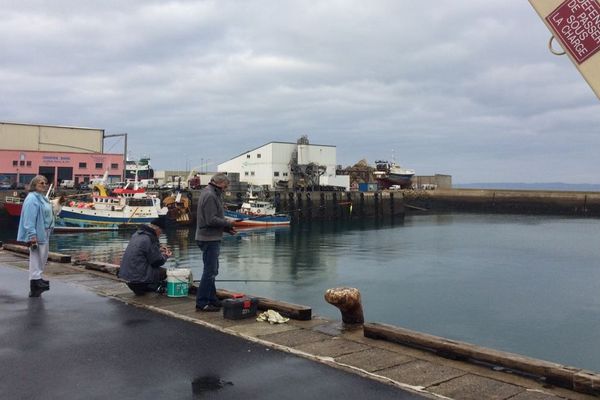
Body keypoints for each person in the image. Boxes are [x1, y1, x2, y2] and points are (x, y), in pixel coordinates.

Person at [195, 173, 236, 312]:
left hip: (210, 237)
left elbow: (209, 220)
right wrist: (228, 223)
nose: (227, 187)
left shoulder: (211, 192)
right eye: (226, 185)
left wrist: (225, 229)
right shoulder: (210, 195)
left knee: (212, 270)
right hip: (208, 239)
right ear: (220, 183)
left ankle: (212, 299)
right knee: (210, 271)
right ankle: (202, 303)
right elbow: (210, 220)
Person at [17, 175, 54, 297]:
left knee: (42, 257)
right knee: (36, 258)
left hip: (45, 232)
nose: (44, 185)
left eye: (45, 183)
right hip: (38, 233)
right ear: (34, 185)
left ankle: (38, 278)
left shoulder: (42, 198)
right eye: (41, 183)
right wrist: (32, 236)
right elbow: (29, 219)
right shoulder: (32, 199)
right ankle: (35, 282)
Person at [119, 217, 172, 295]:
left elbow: (143, 249)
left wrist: (158, 248)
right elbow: (157, 262)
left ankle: (147, 287)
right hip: (139, 280)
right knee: (164, 272)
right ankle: (151, 287)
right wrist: (166, 256)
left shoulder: (137, 234)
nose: (161, 234)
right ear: (158, 229)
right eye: (161, 231)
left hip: (128, 278)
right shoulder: (151, 238)